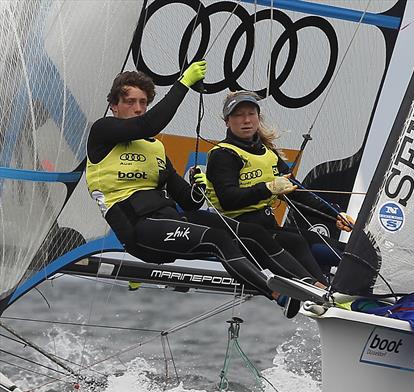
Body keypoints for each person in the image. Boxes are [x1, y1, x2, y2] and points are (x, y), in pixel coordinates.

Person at [86, 63, 319, 316]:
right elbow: (146, 126)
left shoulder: (155, 148)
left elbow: (189, 203)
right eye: (130, 102)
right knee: (218, 239)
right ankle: (278, 295)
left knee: (250, 233)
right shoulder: (103, 132)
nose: (139, 108)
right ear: (114, 106)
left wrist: (198, 187)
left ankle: (316, 289)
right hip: (138, 231)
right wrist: (183, 83)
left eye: (143, 102)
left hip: (169, 220)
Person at [203, 91, 353, 283]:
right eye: (238, 115)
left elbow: (298, 194)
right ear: (227, 121)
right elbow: (228, 199)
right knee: (296, 243)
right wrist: (269, 188)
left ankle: (361, 298)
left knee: (345, 252)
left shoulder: (268, 153)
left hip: (270, 230)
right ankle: (322, 290)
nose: (246, 120)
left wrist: (335, 215)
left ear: (258, 118)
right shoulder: (223, 154)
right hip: (241, 234)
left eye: (251, 114)